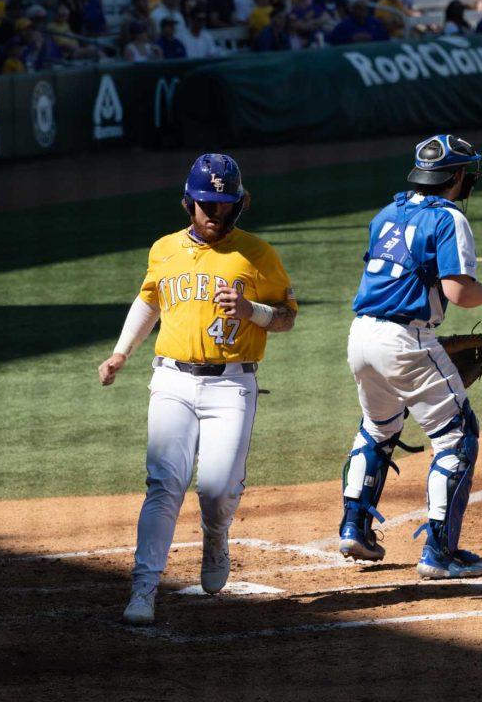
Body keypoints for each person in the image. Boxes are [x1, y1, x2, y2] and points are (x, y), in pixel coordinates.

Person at [99, 154, 298, 625]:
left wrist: (253, 312)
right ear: (188, 203)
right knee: (163, 485)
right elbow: (149, 301)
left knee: (215, 488)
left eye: (224, 205)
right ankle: (144, 589)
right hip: (170, 380)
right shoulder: (164, 249)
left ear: (238, 205)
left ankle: (216, 532)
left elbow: (288, 316)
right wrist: (121, 353)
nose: (215, 214)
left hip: (232, 385)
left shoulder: (258, 254)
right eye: (206, 204)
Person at [337, 135, 482, 580]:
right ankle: (440, 553)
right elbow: (458, 292)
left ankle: (354, 527)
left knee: (378, 427)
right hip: (405, 340)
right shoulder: (449, 218)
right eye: (466, 174)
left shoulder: (386, 212)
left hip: (361, 337)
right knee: (457, 436)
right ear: (455, 177)